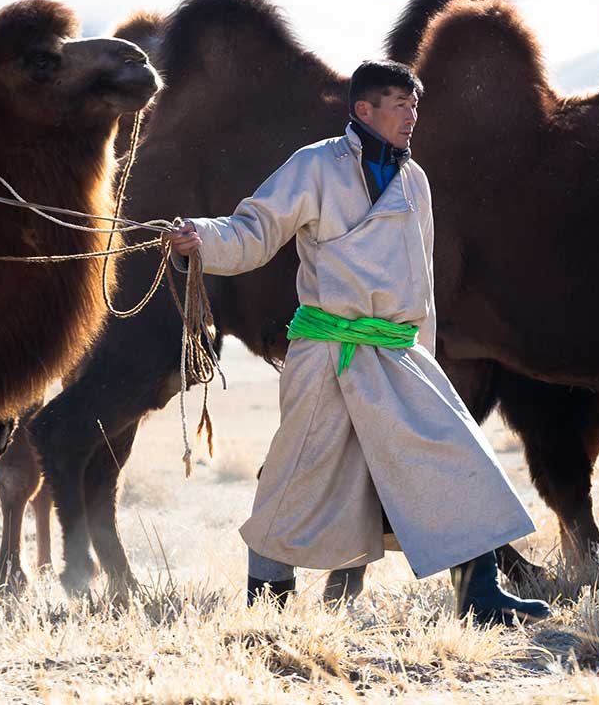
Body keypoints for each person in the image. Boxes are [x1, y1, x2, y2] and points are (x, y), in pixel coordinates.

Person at [167, 60, 550, 625]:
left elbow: (421, 285)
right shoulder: (314, 166)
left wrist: (424, 353)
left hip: (397, 351)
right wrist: (201, 236)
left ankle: (481, 598)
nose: (411, 116)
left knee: (456, 454)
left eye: (415, 105)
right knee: (298, 477)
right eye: (400, 104)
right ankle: (267, 606)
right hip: (327, 352)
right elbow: (255, 229)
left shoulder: (415, 181)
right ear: (364, 110)